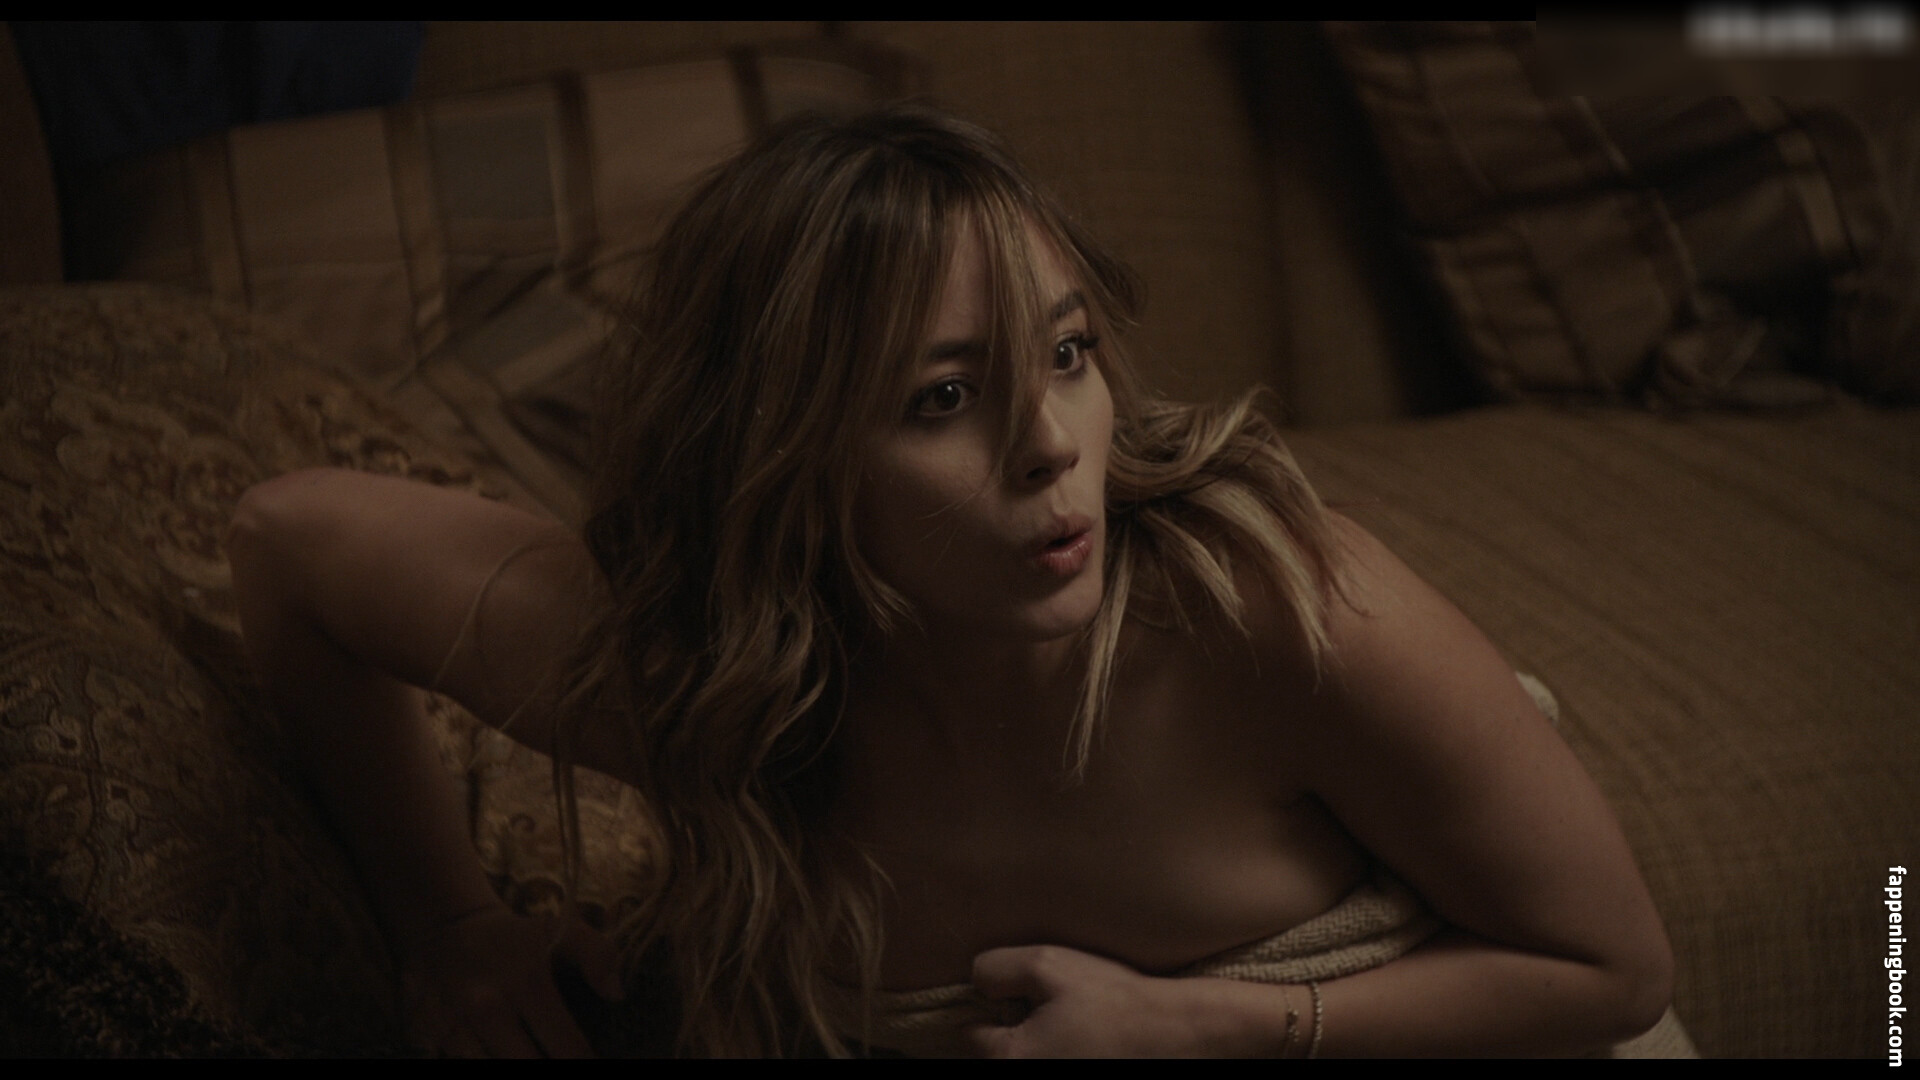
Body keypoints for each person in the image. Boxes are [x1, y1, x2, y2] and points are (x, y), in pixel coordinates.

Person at [226, 106, 1673, 1057]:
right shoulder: (689, 678)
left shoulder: (1281, 610)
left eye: (1067, 353)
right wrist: (447, 928)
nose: (1052, 445)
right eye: (942, 398)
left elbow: (1613, 973)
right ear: (780, 460)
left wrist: (1206, 1028)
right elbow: (288, 545)